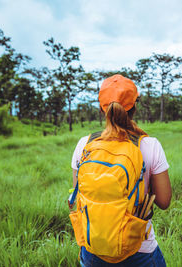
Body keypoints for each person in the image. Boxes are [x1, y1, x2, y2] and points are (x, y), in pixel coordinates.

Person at [70, 74, 172, 266]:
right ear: (135, 107)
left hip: (93, 246)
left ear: (102, 110)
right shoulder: (150, 145)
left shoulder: (85, 144)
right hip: (139, 249)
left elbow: (80, 192)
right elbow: (164, 201)